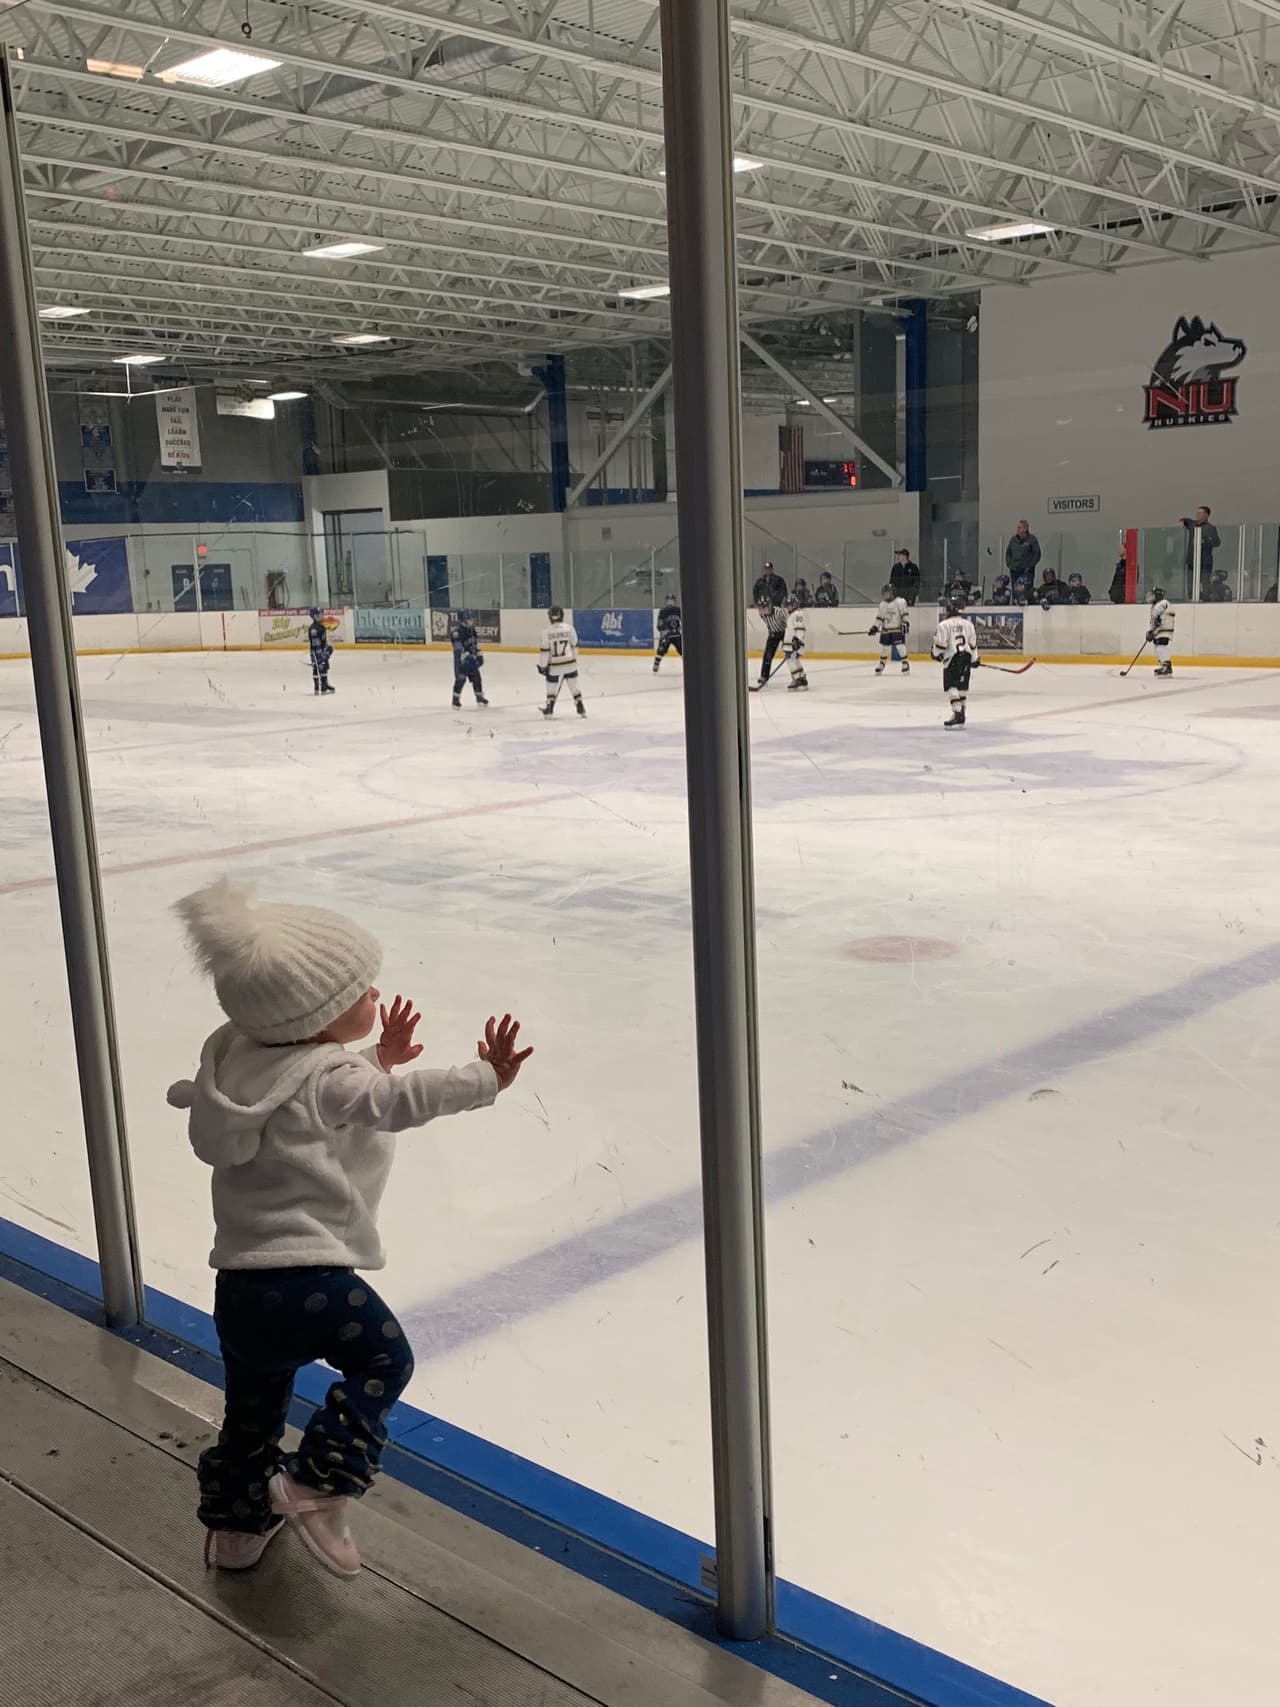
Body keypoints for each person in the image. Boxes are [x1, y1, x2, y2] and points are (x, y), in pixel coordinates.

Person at [167, 878, 532, 1575]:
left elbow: (310, 1094)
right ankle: (317, 1483)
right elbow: (391, 1102)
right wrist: (485, 1077)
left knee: (252, 1414)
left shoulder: (238, 1055)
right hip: (307, 1279)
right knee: (385, 1360)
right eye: (362, 991)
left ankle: (238, 1532)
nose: (374, 995)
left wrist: (377, 1055)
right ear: (316, 1015)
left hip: (239, 1287)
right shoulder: (327, 1075)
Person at [932, 594, 980, 729]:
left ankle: (958, 713)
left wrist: (934, 654)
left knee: (951, 686)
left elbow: (940, 646)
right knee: (962, 687)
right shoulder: (968, 624)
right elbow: (973, 645)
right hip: (966, 657)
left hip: (952, 658)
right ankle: (961, 713)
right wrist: (975, 659)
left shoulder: (944, 625)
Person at [538, 605, 586, 717]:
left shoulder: (546, 632)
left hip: (554, 666)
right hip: (569, 662)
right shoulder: (569, 628)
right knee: (573, 683)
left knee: (551, 684)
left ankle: (550, 706)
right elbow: (575, 645)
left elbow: (545, 651)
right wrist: (574, 660)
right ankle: (579, 704)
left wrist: (542, 666)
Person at [868, 584, 911, 675]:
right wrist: (875, 627)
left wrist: (905, 623)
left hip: (897, 629)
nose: (885, 595)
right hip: (886, 630)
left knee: (900, 646)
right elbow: (880, 618)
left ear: (892, 593)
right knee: (885, 648)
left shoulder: (900, 602)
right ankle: (882, 663)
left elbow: (905, 614)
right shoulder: (882, 605)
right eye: (884, 593)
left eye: (887, 593)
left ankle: (905, 662)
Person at [450, 610, 488, 708]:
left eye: (472, 619)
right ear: (463, 620)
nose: (472, 621)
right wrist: (466, 656)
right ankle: (455, 699)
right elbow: (458, 648)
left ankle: (479, 696)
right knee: (461, 678)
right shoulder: (456, 633)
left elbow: (473, 645)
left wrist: (478, 653)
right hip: (461, 661)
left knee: (477, 678)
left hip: (471, 659)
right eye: (469, 619)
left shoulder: (472, 631)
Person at [1181, 507, 1220, 598]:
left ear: (1206, 515)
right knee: (1190, 586)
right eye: (1197, 512)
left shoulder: (1210, 528)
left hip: (1205, 562)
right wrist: (1182, 521)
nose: (1198, 515)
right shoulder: (1193, 525)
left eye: (1200, 513)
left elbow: (1217, 542)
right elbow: (1186, 520)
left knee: (1205, 584)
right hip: (1192, 561)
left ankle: (1206, 599)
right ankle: (1193, 598)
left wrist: (1206, 541)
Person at [752, 597, 788, 690]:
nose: (762, 610)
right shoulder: (761, 614)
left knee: (790, 654)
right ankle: (764, 676)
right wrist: (771, 631)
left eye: (764, 607)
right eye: (760, 608)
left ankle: (797, 675)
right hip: (773, 634)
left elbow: (789, 623)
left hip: (785, 633)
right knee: (767, 655)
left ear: (770, 606)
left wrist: (790, 637)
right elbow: (768, 624)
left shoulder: (779, 612)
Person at [1006, 520, 1041, 604]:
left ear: (1025, 529)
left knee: (1027, 591)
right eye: (1017, 527)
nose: (1017, 529)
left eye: (1019, 527)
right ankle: (1015, 605)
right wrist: (1009, 564)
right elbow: (1008, 553)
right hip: (1014, 571)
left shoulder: (1032, 540)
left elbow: (1037, 554)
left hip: (1027, 571)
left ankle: (1028, 605)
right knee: (1015, 591)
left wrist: (1030, 566)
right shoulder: (1013, 540)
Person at [782, 596, 809, 691]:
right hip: (791, 645)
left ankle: (797, 678)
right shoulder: (791, 615)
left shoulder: (797, 614)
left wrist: (798, 640)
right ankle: (802, 678)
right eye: (787, 605)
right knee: (795, 660)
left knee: (790, 660)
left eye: (791, 605)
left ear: (795, 605)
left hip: (794, 644)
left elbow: (800, 628)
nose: (789, 607)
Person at [1148, 586, 1175, 677]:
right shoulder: (1155, 605)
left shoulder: (1163, 603)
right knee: (1157, 647)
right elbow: (1155, 620)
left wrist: (1159, 620)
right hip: (1159, 630)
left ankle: (1167, 667)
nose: (1151, 596)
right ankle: (1164, 665)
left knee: (1161, 647)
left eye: (1153, 594)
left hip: (1164, 629)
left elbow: (1164, 615)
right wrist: (1151, 631)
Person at [653, 594, 683, 672]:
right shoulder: (663, 611)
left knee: (683, 651)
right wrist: (664, 630)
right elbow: (659, 624)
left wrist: (680, 628)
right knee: (660, 650)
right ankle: (656, 665)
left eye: (671, 600)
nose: (670, 602)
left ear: (674, 601)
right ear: (666, 602)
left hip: (677, 635)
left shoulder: (678, 610)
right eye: (668, 600)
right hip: (666, 636)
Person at [308, 608, 334, 696]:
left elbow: (323, 641)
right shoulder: (314, 629)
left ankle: (324, 684)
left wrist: (327, 650)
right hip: (317, 653)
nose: (323, 616)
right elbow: (316, 644)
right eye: (320, 614)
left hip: (321, 651)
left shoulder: (321, 626)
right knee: (319, 667)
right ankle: (319, 686)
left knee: (323, 666)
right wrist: (320, 658)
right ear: (315, 616)